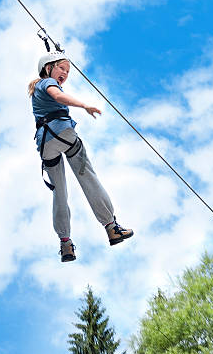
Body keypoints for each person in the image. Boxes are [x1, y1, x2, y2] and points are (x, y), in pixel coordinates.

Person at [28, 51, 134, 262]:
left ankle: (65, 243)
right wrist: (84, 105)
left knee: (60, 193)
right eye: (61, 68)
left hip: (46, 145)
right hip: (64, 134)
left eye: (67, 71)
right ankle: (111, 227)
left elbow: (56, 96)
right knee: (89, 178)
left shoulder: (38, 91)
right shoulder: (46, 83)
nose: (65, 73)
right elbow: (58, 96)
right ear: (48, 68)